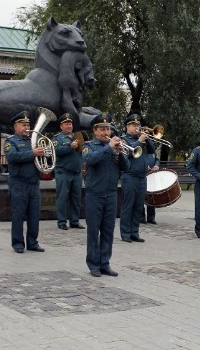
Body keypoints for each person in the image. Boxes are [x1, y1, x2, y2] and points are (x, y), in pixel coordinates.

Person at [82, 112, 130, 277]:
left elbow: (127, 167)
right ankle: (93, 264)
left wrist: (120, 153)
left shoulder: (115, 147)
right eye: (102, 129)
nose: (106, 132)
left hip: (111, 194)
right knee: (93, 231)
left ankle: (105, 263)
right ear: (95, 130)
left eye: (108, 129)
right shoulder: (89, 146)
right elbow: (90, 160)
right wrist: (108, 149)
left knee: (108, 231)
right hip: (94, 194)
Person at [3, 111, 46, 254]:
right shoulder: (11, 141)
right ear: (16, 126)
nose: (27, 127)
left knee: (34, 215)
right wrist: (33, 153)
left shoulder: (33, 141)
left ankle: (33, 242)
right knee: (18, 215)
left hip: (34, 183)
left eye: (28, 124)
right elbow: (13, 157)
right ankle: (18, 243)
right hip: (18, 183)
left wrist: (45, 155)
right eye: (23, 125)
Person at [119, 113, 154, 243]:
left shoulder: (142, 139)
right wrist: (139, 141)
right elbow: (125, 153)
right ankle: (125, 233)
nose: (136, 127)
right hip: (129, 176)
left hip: (142, 177)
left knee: (139, 206)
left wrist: (148, 139)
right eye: (133, 125)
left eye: (138, 125)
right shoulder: (123, 140)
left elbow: (151, 151)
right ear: (126, 127)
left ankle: (135, 232)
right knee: (128, 205)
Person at [53, 112, 84, 230]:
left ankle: (74, 221)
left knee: (76, 198)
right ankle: (61, 221)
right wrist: (69, 147)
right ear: (61, 126)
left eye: (70, 123)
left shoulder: (77, 136)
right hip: (63, 172)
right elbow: (56, 150)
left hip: (76, 172)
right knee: (62, 197)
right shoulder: (57, 138)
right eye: (66, 124)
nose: (69, 126)